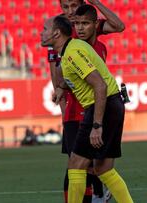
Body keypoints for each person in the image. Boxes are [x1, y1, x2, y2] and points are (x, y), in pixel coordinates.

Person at [42, 16, 133, 203]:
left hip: (103, 106)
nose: (41, 33)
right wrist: (62, 88)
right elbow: (77, 79)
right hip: (114, 105)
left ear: (56, 33)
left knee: (76, 164)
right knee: (103, 168)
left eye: (45, 29)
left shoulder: (73, 53)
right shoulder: (73, 49)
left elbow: (100, 86)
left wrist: (97, 125)